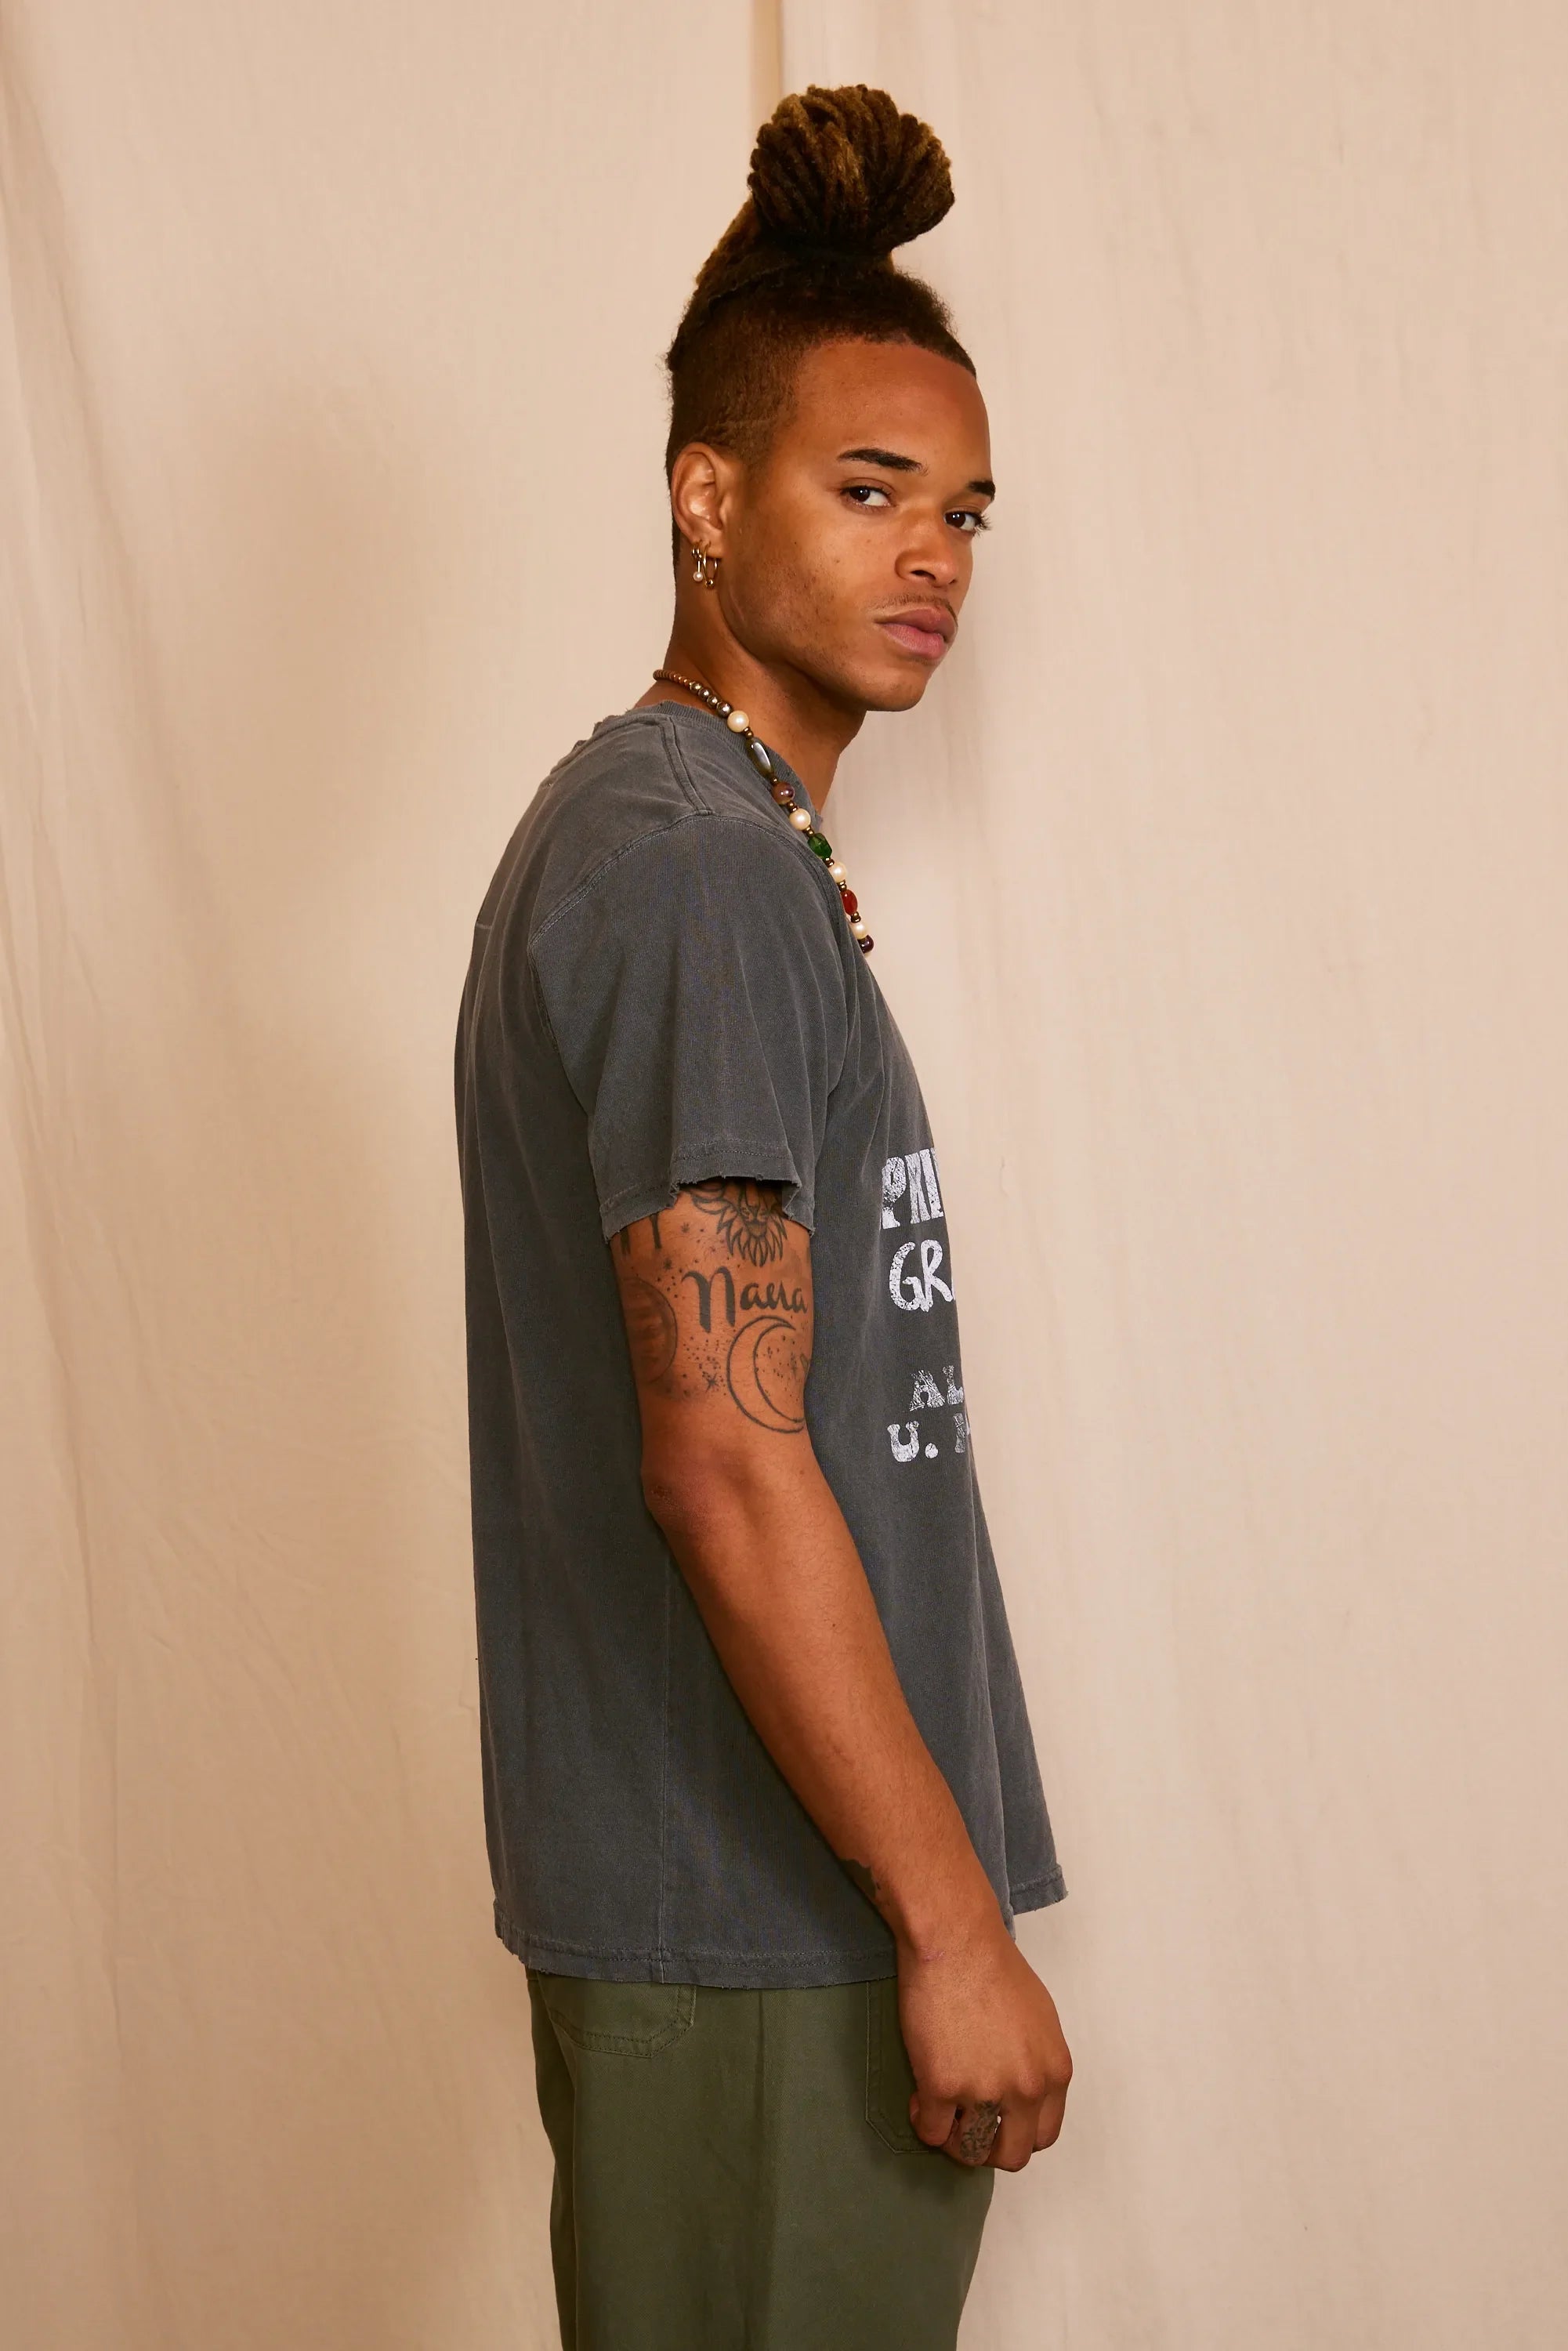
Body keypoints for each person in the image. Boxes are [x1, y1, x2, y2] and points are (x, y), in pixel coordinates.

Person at [454, 82, 1072, 2351]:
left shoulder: (714, 846)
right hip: (763, 1926)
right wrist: (950, 1925)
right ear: (708, 499)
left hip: (777, 1909)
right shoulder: (694, 867)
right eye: (869, 488)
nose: (936, 557)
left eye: (965, 509)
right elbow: (722, 1455)